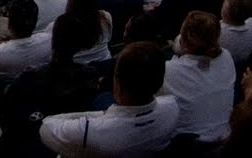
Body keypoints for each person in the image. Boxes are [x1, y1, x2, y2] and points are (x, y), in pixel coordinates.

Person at [37, 41, 179, 157]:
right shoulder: (173, 106)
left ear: (117, 85)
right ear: (160, 82)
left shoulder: (91, 132)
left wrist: (98, 116)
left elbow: (46, 128)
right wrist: (104, 114)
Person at [158, 11, 234, 144]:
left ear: (184, 40)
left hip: (189, 146)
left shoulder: (168, 70)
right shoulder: (226, 56)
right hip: (224, 137)